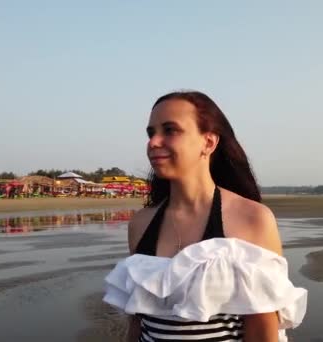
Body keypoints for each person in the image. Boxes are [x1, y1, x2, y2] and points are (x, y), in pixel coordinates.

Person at [103, 91, 307, 341]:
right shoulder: (141, 224)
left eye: (170, 130)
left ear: (208, 142)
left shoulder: (252, 219)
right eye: (151, 132)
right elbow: (137, 320)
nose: (153, 142)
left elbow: (263, 329)